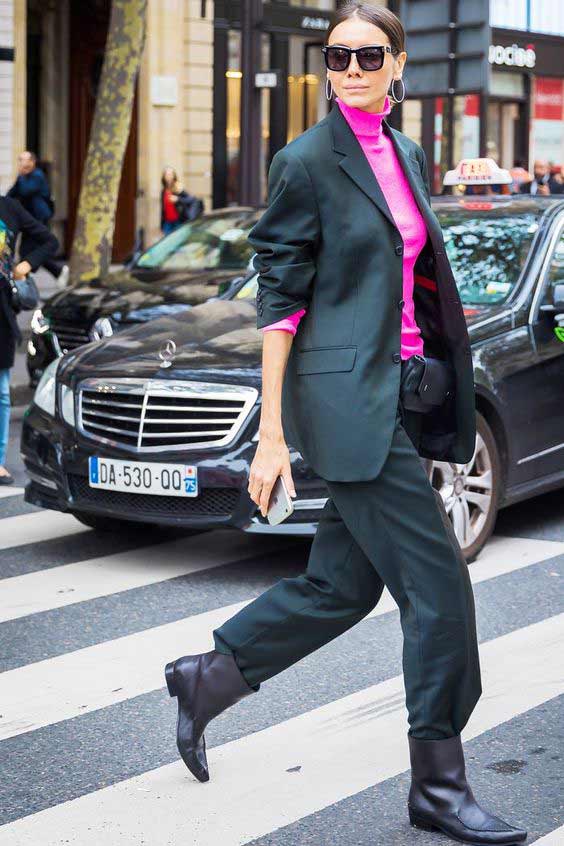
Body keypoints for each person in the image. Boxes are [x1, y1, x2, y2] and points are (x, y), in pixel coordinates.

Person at [162, 5, 527, 844]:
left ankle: (209, 677)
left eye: (369, 56)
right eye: (337, 56)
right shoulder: (305, 162)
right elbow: (279, 305)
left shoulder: (402, 153)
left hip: (400, 393)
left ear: (398, 64)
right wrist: (271, 435)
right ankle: (438, 785)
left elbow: (409, 276)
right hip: (344, 405)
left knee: (343, 586)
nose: (352, 69)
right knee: (439, 591)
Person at [0, 194, 59, 484]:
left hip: (1, 313)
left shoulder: (9, 207)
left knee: (0, 391)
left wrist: (26, 264)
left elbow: (49, 241)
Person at [7, 151, 68, 285]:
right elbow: (11, 194)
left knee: (31, 251)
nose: (22, 163)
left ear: (32, 162)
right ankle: (55, 272)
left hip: (38, 219)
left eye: (25, 160)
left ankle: (25, 282)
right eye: (20, 160)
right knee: (28, 251)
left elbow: (25, 191)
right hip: (28, 220)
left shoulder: (37, 176)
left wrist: (21, 177)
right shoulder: (23, 177)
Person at [160, 167, 184, 235]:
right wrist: (161, 224)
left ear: (174, 176)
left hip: (178, 221)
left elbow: (189, 199)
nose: (169, 177)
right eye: (167, 175)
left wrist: (178, 199)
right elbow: (162, 209)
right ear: (164, 177)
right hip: (167, 222)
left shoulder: (178, 188)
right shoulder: (163, 191)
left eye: (170, 174)